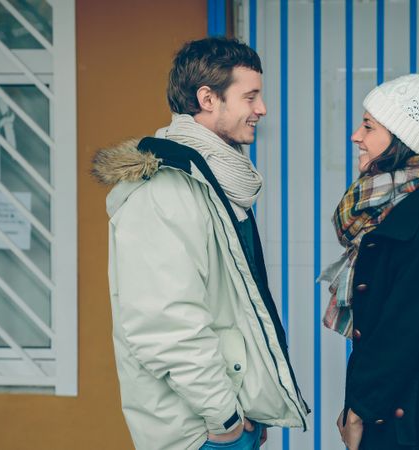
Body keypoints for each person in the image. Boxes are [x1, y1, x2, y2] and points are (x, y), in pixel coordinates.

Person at [92, 37, 309, 450]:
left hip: (227, 420)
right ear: (208, 98)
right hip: (200, 432)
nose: (261, 109)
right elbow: (166, 323)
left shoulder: (213, 182)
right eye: (250, 96)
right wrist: (224, 417)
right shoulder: (164, 190)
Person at [321, 55, 419, 450]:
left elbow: (403, 327)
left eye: (369, 126)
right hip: (398, 406)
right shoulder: (399, 206)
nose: (357, 135)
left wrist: (359, 407)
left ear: (403, 138)